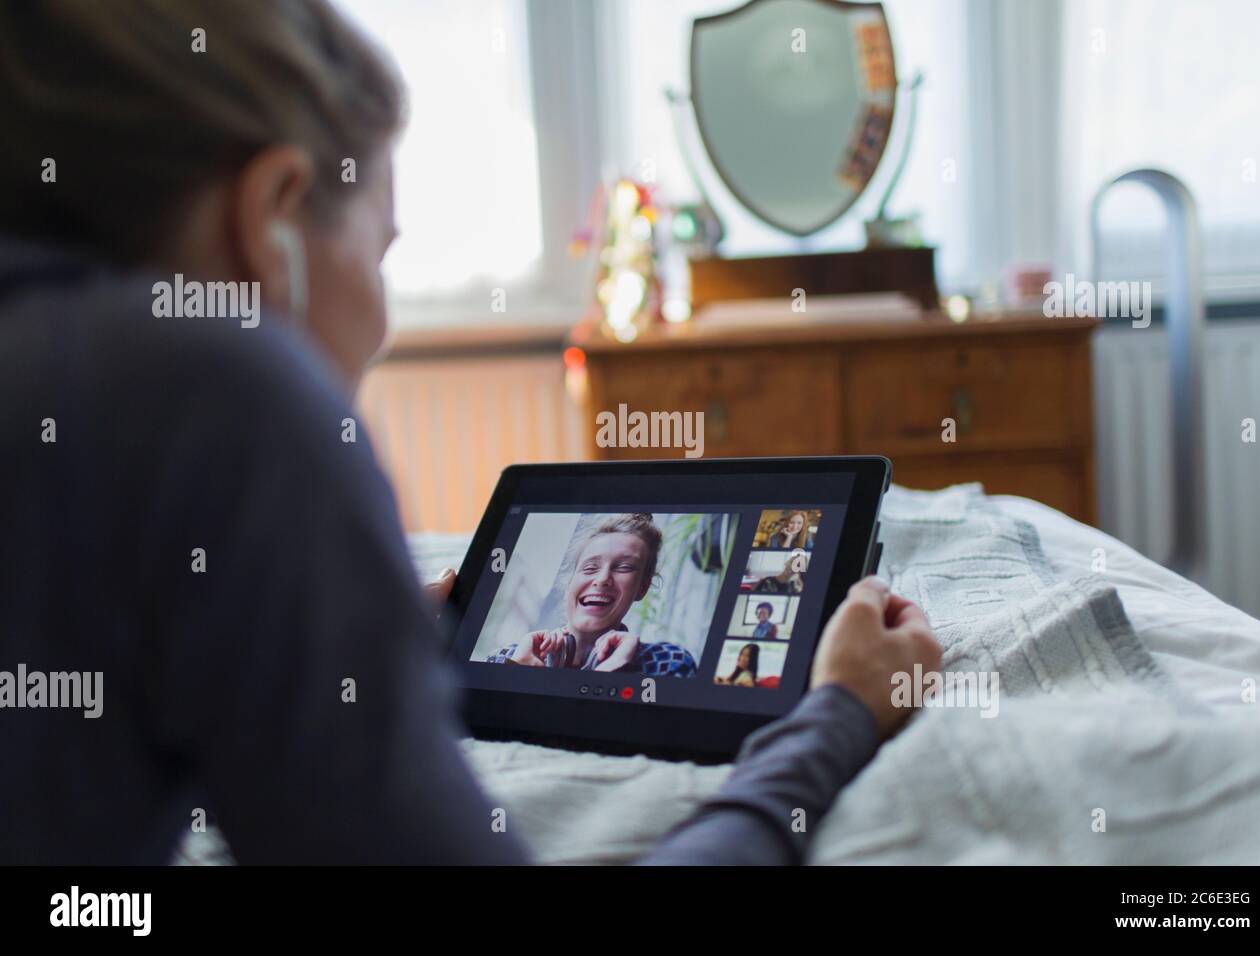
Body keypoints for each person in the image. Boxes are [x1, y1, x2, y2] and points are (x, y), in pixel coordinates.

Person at [0, 0, 942, 865]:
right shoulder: (213, 388)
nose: (383, 319)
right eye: (382, 251)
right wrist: (837, 717)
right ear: (271, 221)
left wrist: (318, 639)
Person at [486, 514, 697, 676]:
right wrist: (519, 675)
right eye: (589, 568)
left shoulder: (667, 663)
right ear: (569, 584)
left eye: (624, 567)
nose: (602, 579)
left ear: (642, 588)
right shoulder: (505, 660)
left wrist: (616, 673)